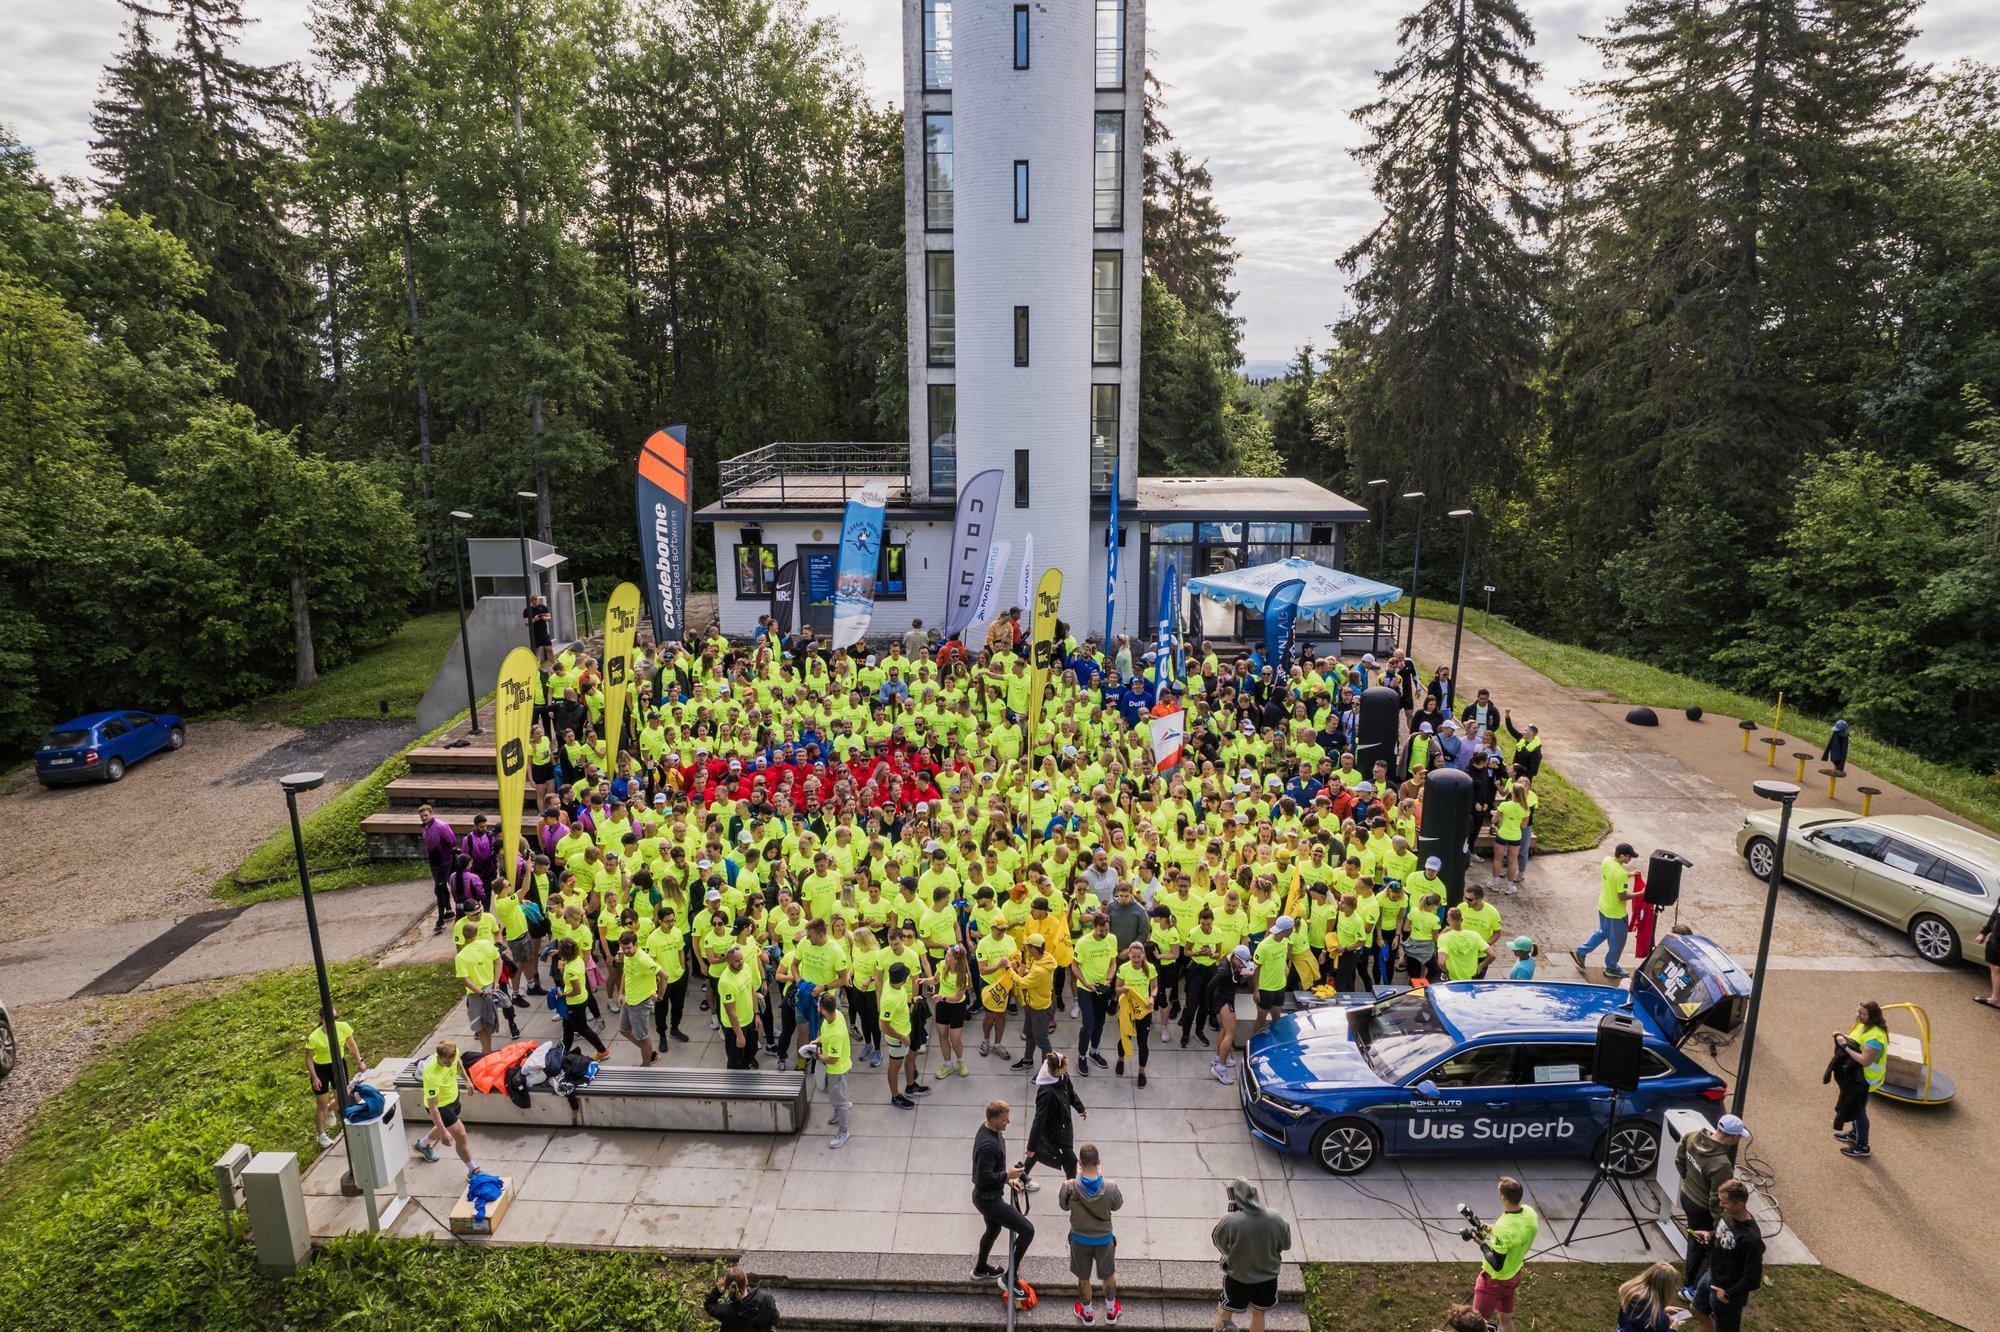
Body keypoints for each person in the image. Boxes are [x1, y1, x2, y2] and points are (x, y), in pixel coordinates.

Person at [1675, 1114, 1750, 1285]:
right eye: (1739, 1136)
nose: (1739, 1139)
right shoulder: (1722, 1165)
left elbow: (1679, 1160)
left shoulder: (1693, 1136)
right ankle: (1692, 1284)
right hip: (1702, 1208)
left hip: (1686, 1195)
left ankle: (1691, 1279)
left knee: (1695, 1239)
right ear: (1732, 1136)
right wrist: (1721, 1225)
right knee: (1702, 1247)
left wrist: (1688, 1179)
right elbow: (1718, 1200)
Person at [971, 1099, 1034, 1300]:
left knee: (993, 1229)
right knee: (1027, 1230)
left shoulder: (991, 1131)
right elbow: (982, 1177)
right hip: (989, 1200)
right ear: (994, 1119)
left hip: (987, 1195)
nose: (1009, 1122)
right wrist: (1006, 1176)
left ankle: (980, 1269)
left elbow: (992, 1170)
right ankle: (1008, 1277)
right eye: (1005, 1120)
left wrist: (1007, 1180)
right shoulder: (988, 1144)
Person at [1210, 1177, 1292, 1332]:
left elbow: (1217, 1240)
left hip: (1238, 1278)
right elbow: (1285, 1245)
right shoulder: (1275, 1217)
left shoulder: (1231, 1221)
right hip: (1268, 1278)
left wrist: (1230, 1254)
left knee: (1224, 1312)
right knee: (1259, 1314)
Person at [1058, 1142, 1123, 1327]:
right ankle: (1111, 1312)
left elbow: (1064, 1206)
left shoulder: (1069, 1187)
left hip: (1079, 1240)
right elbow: (1117, 1205)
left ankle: (1087, 1314)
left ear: (1079, 1162)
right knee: (1108, 1274)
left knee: (1083, 1278)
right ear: (1098, 1161)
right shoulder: (1110, 1187)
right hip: (1104, 1240)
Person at [1688, 1179, 1763, 1332]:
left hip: (1727, 1293)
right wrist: (1710, 1235)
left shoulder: (1751, 1239)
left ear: (1740, 1205)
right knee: (1696, 1308)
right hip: (1711, 1275)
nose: (1721, 1205)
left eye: (1725, 1202)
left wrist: (1728, 1293)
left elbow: (1753, 1279)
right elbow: (1722, 1233)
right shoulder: (1728, 1214)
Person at [1470, 1176, 1538, 1332]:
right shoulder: (1529, 1212)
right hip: (1514, 1275)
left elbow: (1497, 1264)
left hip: (1494, 1281)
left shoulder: (1504, 1227)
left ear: (1502, 1197)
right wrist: (1489, 1228)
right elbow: (1515, 1234)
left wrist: (1481, 1244)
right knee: (1505, 1318)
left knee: (1477, 1323)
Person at [1572, 843, 1639, 979]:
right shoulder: (1620, 875)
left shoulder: (1607, 861)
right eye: (1628, 857)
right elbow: (1622, 896)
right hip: (1616, 913)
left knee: (1603, 932)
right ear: (1621, 855)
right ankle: (1611, 967)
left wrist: (1629, 874)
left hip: (1604, 906)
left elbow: (1613, 876)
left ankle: (1581, 951)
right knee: (1618, 941)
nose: (1630, 859)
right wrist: (1640, 893)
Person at [1830, 1000, 1887, 1159]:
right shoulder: (1864, 1026)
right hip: (1857, 1076)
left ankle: (1863, 1146)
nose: (1858, 1015)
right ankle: (1855, 1134)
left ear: (1872, 1016)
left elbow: (1864, 1060)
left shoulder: (1876, 1038)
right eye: (1858, 1011)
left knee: (1859, 1111)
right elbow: (1856, 1041)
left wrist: (1844, 1046)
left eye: (1862, 1013)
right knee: (1856, 1109)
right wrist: (1843, 1036)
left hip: (1865, 1079)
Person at [1022, 1051, 1086, 1190]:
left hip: (1063, 1126)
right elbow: (1039, 1120)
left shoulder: (1062, 1076)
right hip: (1055, 1133)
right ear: (1057, 1070)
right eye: (1065, 1066)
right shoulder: (1047, 1093)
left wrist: (1080, 1108)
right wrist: (1031, 1146)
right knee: (1071, 1161)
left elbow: (1070, 1093)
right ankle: (1072, 1190)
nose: (1067, 1068)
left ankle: (1022, 1179)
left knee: (1036, 1153)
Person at [800, 990, 853, 1150]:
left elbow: (833, 1059)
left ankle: (843, 1131)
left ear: (822, 1009)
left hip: (837, 1069)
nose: (817, 1006)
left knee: (838, 1100)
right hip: (834, 1068)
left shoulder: (836, 1033)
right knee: (831, 1092)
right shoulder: (834, 1016)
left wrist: (817, 1056)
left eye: (818, 1005)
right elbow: (825, 1035)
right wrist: (816, 1041)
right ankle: (840, 1104)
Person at [414, 1040, 476, 1172]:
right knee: (460, 1134)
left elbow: (458, 1063)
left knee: (448, 1126)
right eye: (446, 1062)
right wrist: (443, 1133)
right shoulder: (431, 1074)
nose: (449, 1064)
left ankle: (422, 1145)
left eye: (451, 1061)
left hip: (453, 1097)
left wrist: (466, 1080)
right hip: (441, 1106)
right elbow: (433, 1107)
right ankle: (473, 1170)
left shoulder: (454, 1052)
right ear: (438, 1057)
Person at [305, 1012, 365, 1149]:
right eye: (330, 1018)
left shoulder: (343, 1027)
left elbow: (351, 1044)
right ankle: (321, 1135)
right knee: (321, 1103)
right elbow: (308, 1058)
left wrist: (359, 1060)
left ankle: (329, 1110)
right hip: (321, 1069)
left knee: (341, 1100)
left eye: (335, 1017)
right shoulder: (314, 1036)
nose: (333, 1021)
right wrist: (314, 1077)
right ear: (321, 1019)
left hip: (338, 1065)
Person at [702, 1266, 779, 1332]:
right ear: (746, 1281)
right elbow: (774, 1319)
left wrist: (717, 1291)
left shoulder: (725, 1312)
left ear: (727, 1287)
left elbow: (708, 1304)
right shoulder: (765, 1298)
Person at [1617, 1262, 1688, 1332]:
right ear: (1666, 1289)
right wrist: (1673, 1329)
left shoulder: (1630, 1293)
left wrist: (1660, 1310)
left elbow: (1641, 1314)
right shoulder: (1659, 1321)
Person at [1975, 896, 2000, 1010]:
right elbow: (1995, 915)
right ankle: (1995, 999)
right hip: (1995, 940)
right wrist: (1984, 933)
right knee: (1995, 969)